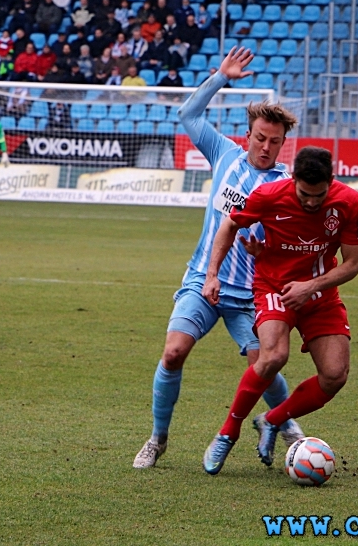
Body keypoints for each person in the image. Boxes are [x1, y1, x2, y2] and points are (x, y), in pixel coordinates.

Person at [132, 47, 300, 469]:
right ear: (248, 135)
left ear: (283, 144)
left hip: (251, 294)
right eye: (260, 139)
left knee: (262, 363)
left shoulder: (286, 183)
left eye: (274, 142)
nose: (265, 147)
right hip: (202, 281)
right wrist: (220, 76)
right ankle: (157, 438)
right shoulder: (224, 153)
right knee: (173, 352)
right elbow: (188, 115)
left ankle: (287, 426)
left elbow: (291, 239)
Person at [201, 143, 358, 475]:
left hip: (319, 294)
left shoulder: (349, 202)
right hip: (275, 286)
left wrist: (312, 286)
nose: (311, 202)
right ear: (293, 181)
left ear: (331, 182)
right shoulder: (268, 196)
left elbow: (353, 264)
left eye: (318, 196)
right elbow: (230, 224)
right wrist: (212, 274)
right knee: (273, 356)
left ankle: (272, 420)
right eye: (305, 194)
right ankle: (227, 433)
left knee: (335, 376)